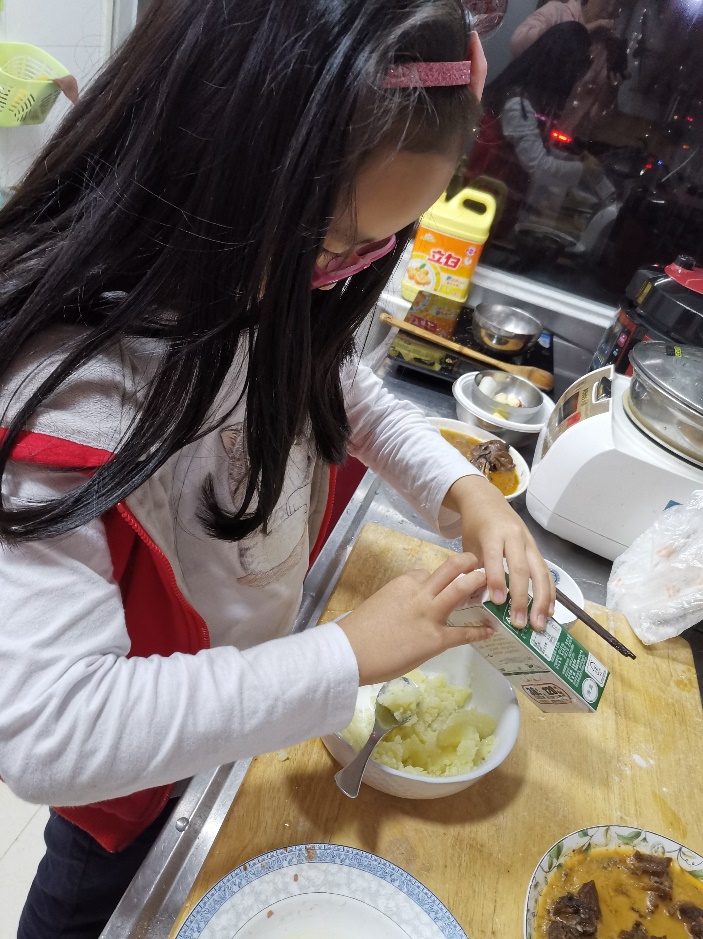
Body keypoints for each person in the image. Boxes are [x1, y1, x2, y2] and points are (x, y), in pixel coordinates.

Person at [0, 2, 555, 936]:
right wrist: (345, 655)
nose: (333, 278)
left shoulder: (263, 273)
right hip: (138, 776)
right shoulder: (74, 392)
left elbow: (340, 387)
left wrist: (465, 492)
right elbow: (51, 731)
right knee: (84, 909)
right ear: (205, 149)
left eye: (372, 249)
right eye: (326, 247)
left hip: (241, 714)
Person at [467, 22, 606, 233]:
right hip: (483, 206)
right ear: (563, 66)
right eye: (580, 67)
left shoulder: (528, 99)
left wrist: (571, 160)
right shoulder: (518, 103)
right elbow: (539, 166)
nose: (579, 77)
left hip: (498, 205)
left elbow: (533, 149)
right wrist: (582, 170)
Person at [510, 0, 613, 58]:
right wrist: (581, 30)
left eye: (616, 3)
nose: (610, 9)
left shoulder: (601, 39)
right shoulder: (557, 11)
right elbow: (518, 42)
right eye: (607, 1)